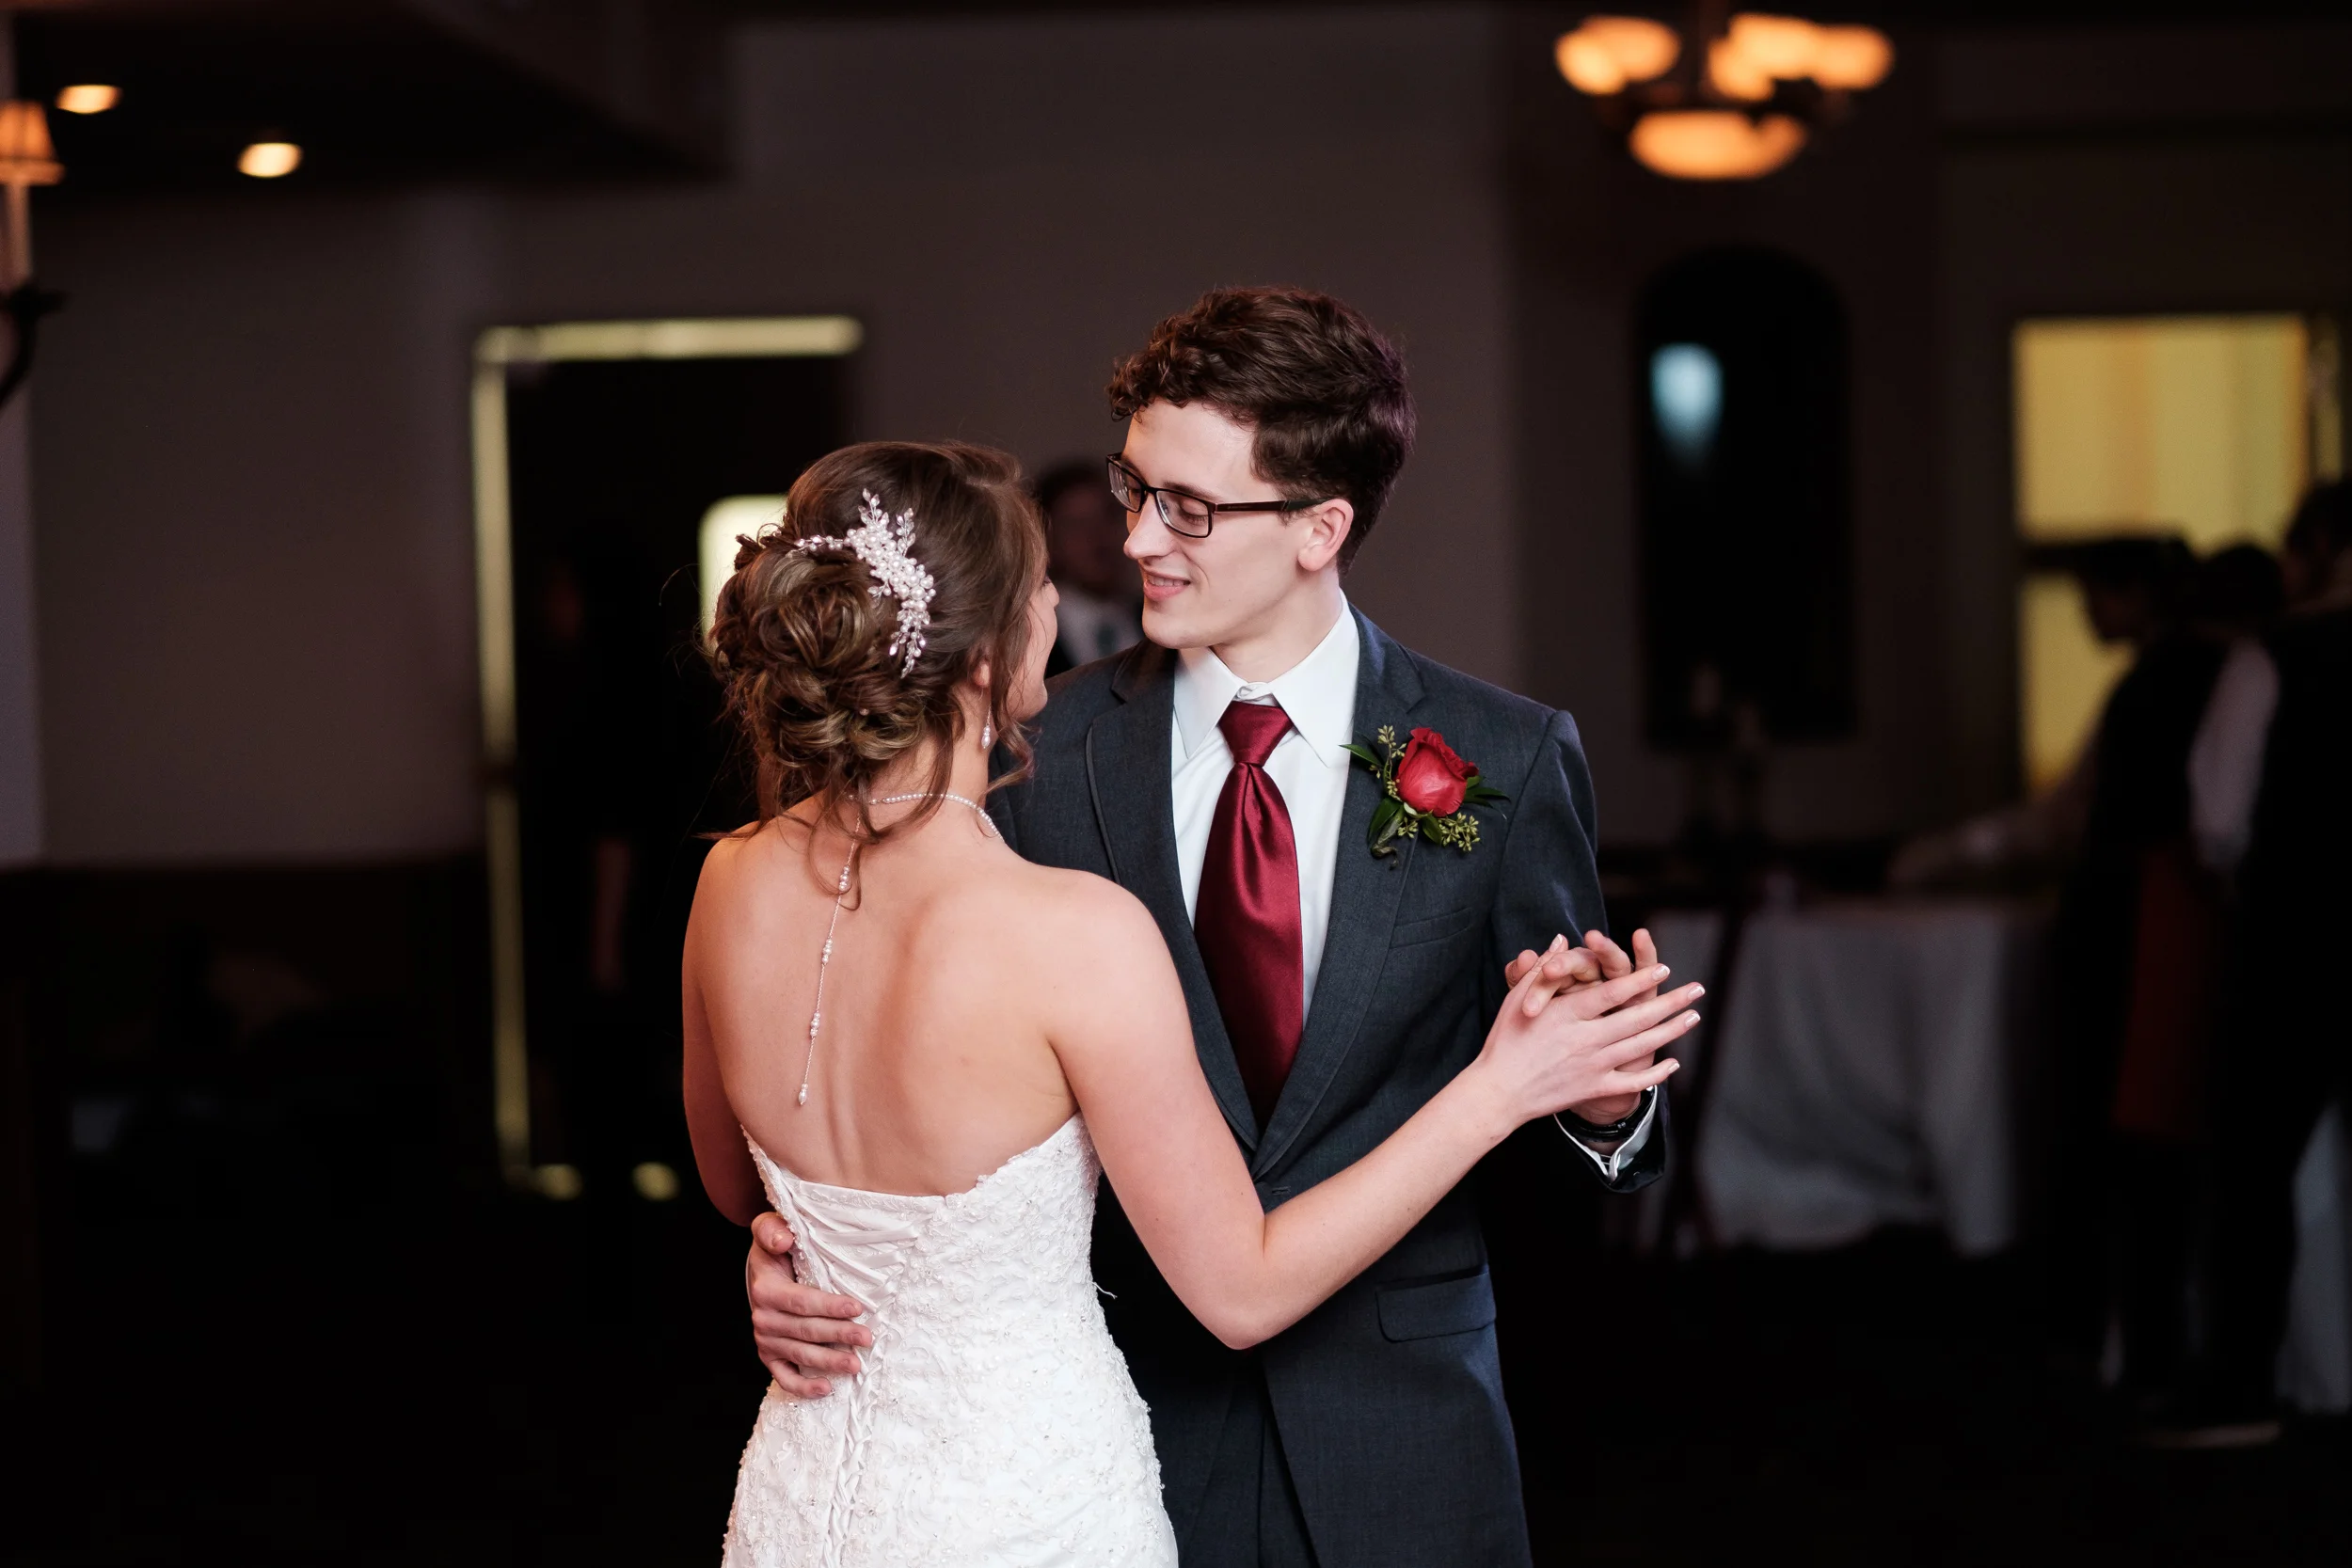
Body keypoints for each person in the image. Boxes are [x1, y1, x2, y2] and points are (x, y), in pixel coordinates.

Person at [744, 289, 1675, 1566]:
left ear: (1319, 527)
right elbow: (874, 1050)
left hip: (1403, 1435)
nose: (1136, 537)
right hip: (1113, 1429)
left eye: (1187, 506)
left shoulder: (1503, 755)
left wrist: (1607, 1107)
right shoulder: (1028, 756)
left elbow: (1569, 1125)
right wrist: (802, 1247)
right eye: (1134, 488)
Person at [2169, 481, 2352, 1446]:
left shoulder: (2271, 655)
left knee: (2253, 1164)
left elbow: (2216, 819)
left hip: (2298, 938)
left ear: (2322, 544)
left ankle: (2240, 1387)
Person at [1035, 458, 1144, 675]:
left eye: (1108, 517)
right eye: (1077, 525)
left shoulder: (1158, 623)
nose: (1098, 537)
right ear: (1048, 541)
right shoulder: (1032, 638)